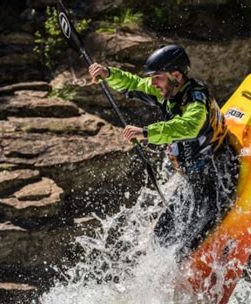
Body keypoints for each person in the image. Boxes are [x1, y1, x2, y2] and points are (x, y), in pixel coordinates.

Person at [89, 44, 238, 261]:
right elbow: (134, 84)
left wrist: (147, 132)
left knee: (187, 249)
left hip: (217, 174)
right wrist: (108, 74)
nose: (152, 83)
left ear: (175, 75)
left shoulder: (196, 98)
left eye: (156, 77)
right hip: (192, 180)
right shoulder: (166, 90)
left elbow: (190, 127)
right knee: (159, 238)